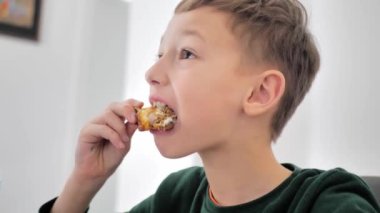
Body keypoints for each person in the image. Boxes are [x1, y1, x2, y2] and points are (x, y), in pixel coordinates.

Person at [40, 0, 380, 212]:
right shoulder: (177, 197)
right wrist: (84, 181)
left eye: (186, 53)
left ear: (260, 92)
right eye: (160, 55)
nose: (152, 73)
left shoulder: (327, 203)